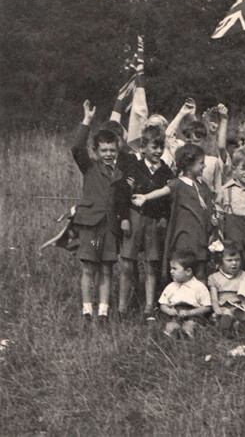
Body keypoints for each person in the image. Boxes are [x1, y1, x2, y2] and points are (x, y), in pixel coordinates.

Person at [71, 100, 126, 323]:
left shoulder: (121, 172)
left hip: (110, 228)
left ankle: (103, 312)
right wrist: (87, 120)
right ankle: (87, 311)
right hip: (91, 228)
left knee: (107, 269)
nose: (108, 154)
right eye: (104, 150)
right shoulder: (89, 166)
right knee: (89, 268)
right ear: (96, 151)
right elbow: (77, 148)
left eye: (112, 150)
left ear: (117, 150)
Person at [132, 143, 216, 281]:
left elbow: (210, 207)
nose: (204, 166)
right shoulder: (178, 184)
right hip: (184, 236)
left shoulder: (203, 186)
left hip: (200, 236)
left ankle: (200, 294)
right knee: (183, 268)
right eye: (201, 163)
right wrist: (145, 197)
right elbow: (163, 191)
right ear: (189, 164)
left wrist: (213, 227)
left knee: (201, 271)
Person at [116, 124, 174, 320]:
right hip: (134, 218)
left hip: (154, 221)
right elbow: (123, 195)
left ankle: (149, 306)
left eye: (161, 147)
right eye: (153, 147)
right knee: (127, 263)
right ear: (143, 148)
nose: (158, 151)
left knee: (151, 263)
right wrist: (124, 218)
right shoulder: (134, 168)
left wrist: (164, 218)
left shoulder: (166, 172)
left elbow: (168, 200)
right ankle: (122, 306)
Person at [217, 148, 245, 270]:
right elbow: (219, 210)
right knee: (235, 256)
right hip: (233, 229)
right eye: (243, 168)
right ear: (234, 169)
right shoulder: (226, 189)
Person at [158, 249, 212, 338]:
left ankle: (187, 337)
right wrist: (169, 310)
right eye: (171, 268)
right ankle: (171, 337)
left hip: (194, 316)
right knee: (170, 326)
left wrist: (190, 312)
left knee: (190, 325)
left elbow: (207, 307)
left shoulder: (199, 287)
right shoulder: (171, 287)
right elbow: (163, 304)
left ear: (188, 271)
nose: (171, 271)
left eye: (174, 269)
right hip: (176, 315)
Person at [207, 240, 245, 335]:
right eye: (229, 260)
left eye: (237, 260)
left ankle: (239, 329)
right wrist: (217, 308)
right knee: (226, 313)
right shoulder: (214, 277)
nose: (234, 263)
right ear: (220, 261)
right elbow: (214, 299)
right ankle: (225, 331)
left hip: (239, 307)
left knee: (243, 316)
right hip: (222, 308)